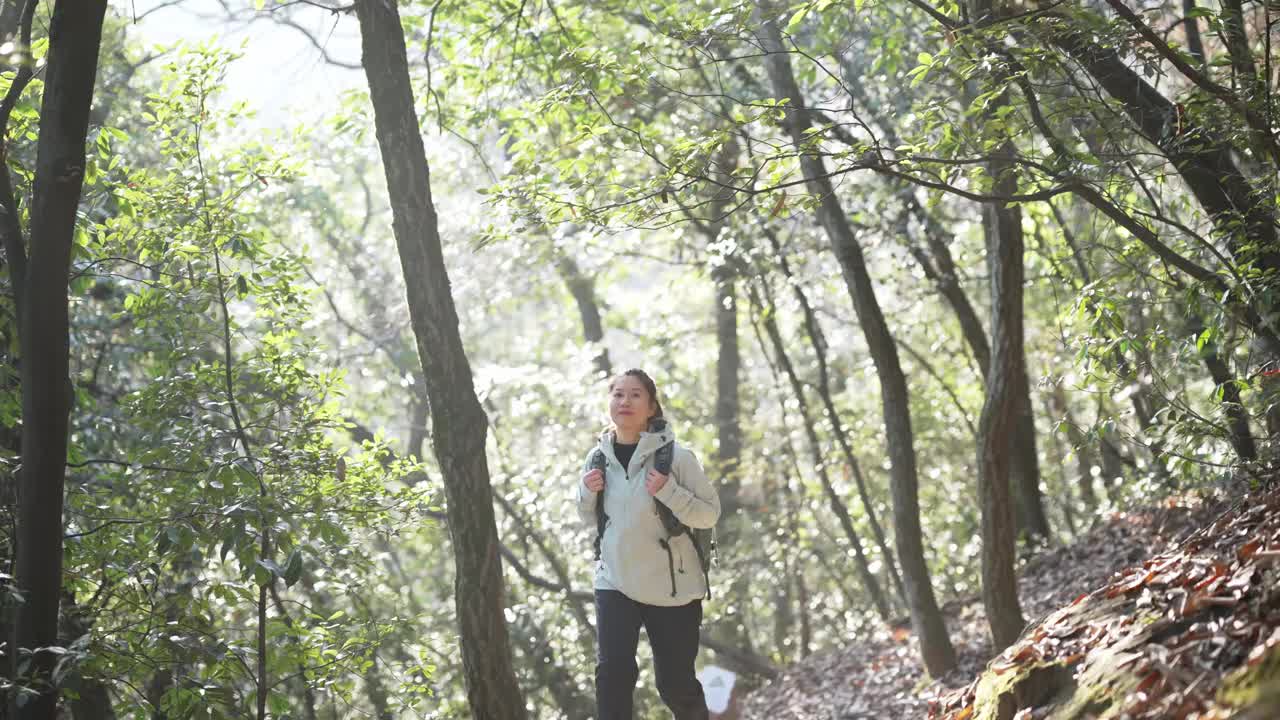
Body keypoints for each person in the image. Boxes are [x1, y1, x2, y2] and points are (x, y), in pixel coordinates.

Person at [577, 368, 721, 720]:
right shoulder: (597, 458)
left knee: (675, 685)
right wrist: (585, 491)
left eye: (635, 394)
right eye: (618, 394)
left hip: (671, 588)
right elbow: (590, 518)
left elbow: (709, 515)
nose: (625, 401)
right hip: (615, 580)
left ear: (652, 407)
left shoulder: (678, 459)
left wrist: (669, 491)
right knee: (612, 675)